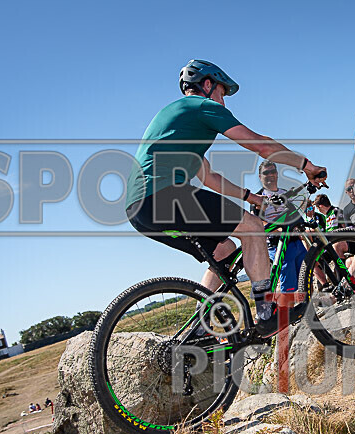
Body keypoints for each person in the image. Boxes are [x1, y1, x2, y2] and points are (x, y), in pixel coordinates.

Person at [125, 60, 326, 337]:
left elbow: (209, 178)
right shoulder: (204, 106)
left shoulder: (178, 121)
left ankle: (198, 331)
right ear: (207, 85)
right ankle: (267, 315)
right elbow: (261, 145)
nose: (223, 100)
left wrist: (252, 198)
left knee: (224, 250)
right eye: (222, 91)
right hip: (162, 195)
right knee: (254, 228)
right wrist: (308, 166)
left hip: (138, 209)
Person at [250, 161, 308, 298]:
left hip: (296, 243)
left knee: (305, 281)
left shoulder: (284, 194)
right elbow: (257, 224)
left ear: (277, 174)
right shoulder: (258, 197)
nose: (270, 175)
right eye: (266, 173)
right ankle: (287, 316)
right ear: (260, 176)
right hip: (277, 245)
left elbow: (297, 218)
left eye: (272, 171)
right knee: (288, 287)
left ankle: (305, 313)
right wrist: (279, 231)